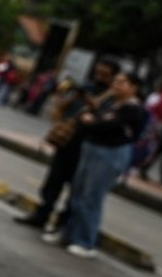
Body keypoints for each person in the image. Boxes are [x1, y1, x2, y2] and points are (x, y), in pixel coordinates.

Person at [14, 58, 119, 232]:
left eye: (105, 74)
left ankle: (63, 223)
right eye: (98, 72)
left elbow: (107, 120)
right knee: (54, 180)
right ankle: (42, 214)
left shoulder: (111, 98)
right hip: (67, 141)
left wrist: (94, 108)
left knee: (76, 187)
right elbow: (62, 107)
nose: (99, 77)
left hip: (87, 146)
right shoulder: (85, 88)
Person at [51, 73, 144, 257]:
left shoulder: (133, 109)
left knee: (92, 197)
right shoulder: (110, 104)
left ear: (133, 88)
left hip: (109, 153)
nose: (116, 85)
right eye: (115, 81)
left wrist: (94, 121)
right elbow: (93, 120)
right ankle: (70, 234)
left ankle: (85, 241)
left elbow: (109, 126)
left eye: (122, 82)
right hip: (92, 147)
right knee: (78, 193)